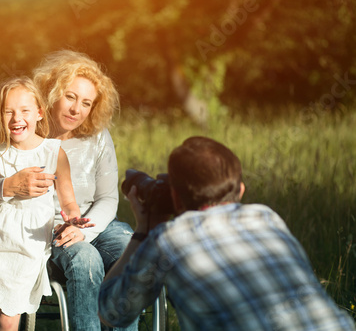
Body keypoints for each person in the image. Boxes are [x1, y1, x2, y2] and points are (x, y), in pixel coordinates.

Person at [98, 136, 356, 330]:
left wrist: (143, 231)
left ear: (176, 198)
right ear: (241, 190)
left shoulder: (169, 239)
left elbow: (110, 313)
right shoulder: (266, 217)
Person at [0, 50, 138, 330]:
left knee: (129, 247)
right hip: (46, 230)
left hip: (94, 223)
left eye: (86, 103)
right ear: (52, 93)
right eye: (70, 97)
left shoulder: (98, 136)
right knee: (85, 257)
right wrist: (7, 187)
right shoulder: (23, 129)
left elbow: (108, 198)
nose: (76, 109)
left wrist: (84, 229)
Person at [0, 77, 93, 331]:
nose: (16, 118)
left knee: (6, 322)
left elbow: (69, 200)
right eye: (8, 112)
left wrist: (73, 217)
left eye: (24, 111)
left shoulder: (53, 152)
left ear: (39, 113)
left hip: (28, 247)